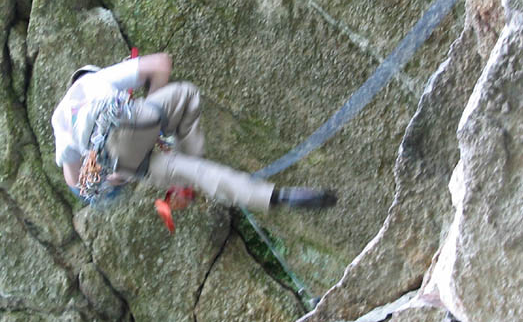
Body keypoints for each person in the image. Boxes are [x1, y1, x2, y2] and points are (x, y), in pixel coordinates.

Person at [51, 53, 337, 212]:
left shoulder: (60, 118)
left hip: (123, 160)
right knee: (186, 95)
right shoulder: (97, 80)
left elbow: (74, 179)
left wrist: (115, 178)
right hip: (134, 121)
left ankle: (275, 197)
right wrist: (154, 119)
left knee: (198, 173)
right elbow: (161, 64)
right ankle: (186, 162)